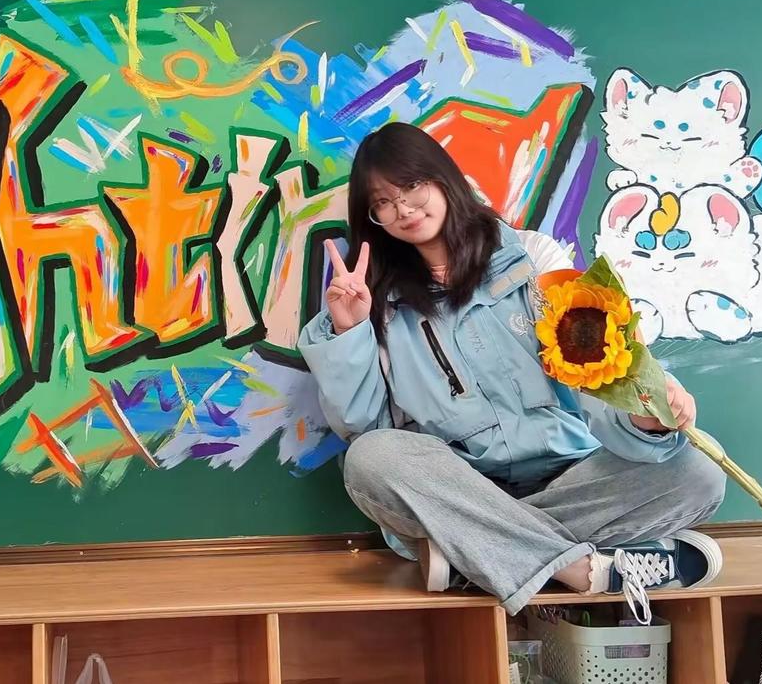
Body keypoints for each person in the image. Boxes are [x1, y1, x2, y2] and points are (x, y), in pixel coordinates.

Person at [297, 123, 727, 620]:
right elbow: (365, 427)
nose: (404, 209)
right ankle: (581, 569)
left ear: (442, 177)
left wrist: (644, 420)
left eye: (412, 186)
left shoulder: (535, 258)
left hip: (571, 475)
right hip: (458, 486)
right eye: (383, 203)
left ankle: (468, 557)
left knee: (698, 475)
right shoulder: (378, 304)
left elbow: (596, 375)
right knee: (371, 457)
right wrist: (349, 331)